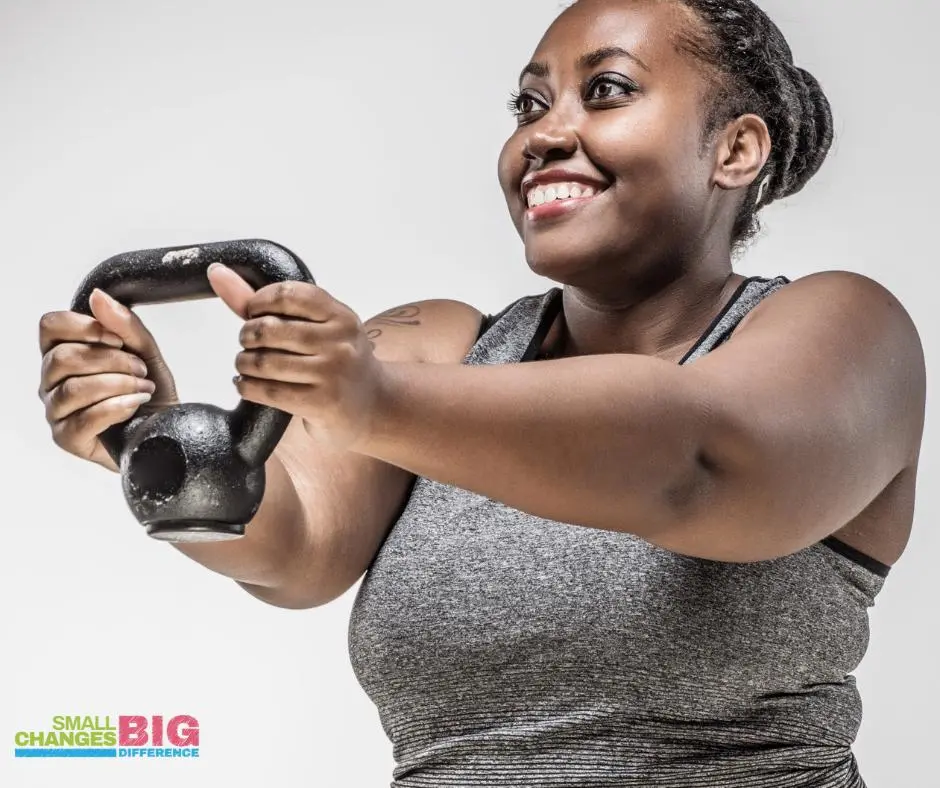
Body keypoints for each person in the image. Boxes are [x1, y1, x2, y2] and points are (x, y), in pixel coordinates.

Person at [37, 0, 925, 785]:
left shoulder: (844, 331)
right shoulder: (441, 344)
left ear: (736, 147)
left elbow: (701, 463)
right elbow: (289, 537)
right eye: (529, 105)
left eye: (607, 91)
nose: (542, 133)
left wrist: (376, 402)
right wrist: (147, 437)